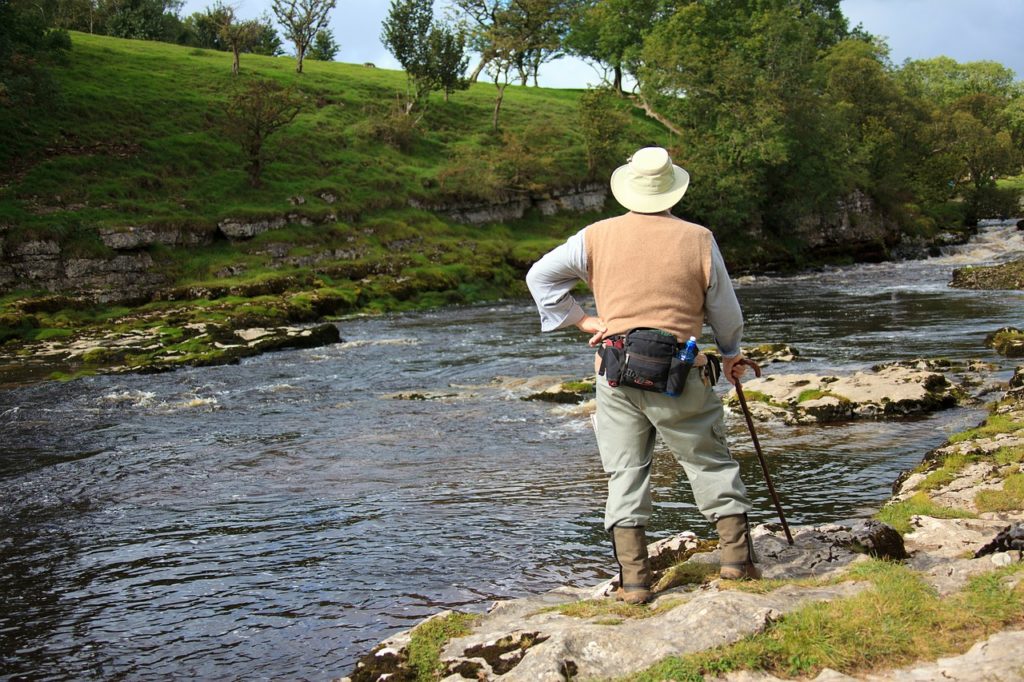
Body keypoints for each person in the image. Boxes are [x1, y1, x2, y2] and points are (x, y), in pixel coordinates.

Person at [525, 146, 761, 604]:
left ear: (628, 188)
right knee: (709, 462)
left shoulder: (593, 237)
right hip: (682, 374)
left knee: (625, 474)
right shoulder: (698, 238)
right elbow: (725, 311)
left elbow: (540, 278)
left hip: (616, 374)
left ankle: (634, 584)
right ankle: (737, 563)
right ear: (673, 189)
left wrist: (584, 321)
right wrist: (731, 354)